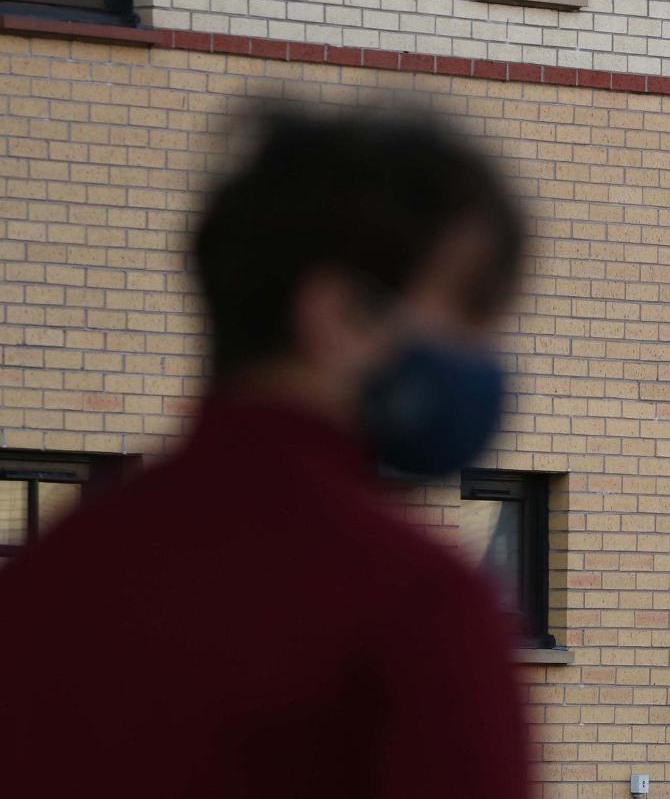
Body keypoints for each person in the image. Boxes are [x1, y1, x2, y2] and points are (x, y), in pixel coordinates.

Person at [0, 102, 531, 798]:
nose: (487, 354)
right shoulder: (419, 608)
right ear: (339, 313)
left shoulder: (44, 579)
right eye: (471, 309)